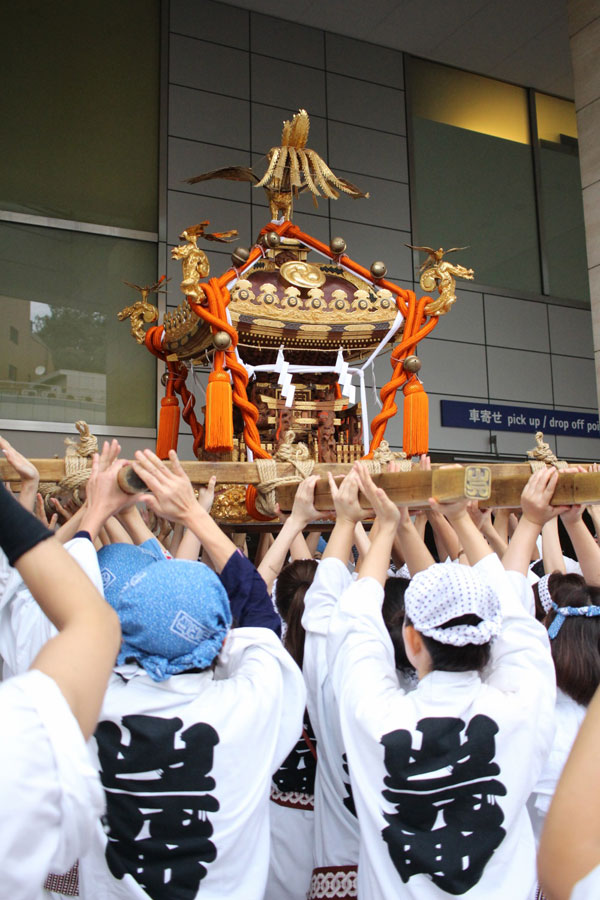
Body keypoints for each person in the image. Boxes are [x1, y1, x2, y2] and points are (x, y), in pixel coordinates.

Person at [76, 448, 305, 900]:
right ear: (223, 641)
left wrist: (93, 514)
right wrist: (192, 516)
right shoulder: (249, 705)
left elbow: (44, 611)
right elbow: (258, 611)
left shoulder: (81, 704)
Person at [325, 463, 558, 899]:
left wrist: (386, 527)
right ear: (489, 642)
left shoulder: (374, 716)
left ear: (410, 640)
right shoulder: (523, 706)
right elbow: (518, 624)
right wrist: (462, 518)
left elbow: (354, 625)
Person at [0, 465, 121, 900]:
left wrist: (91, 516)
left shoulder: (14, 607)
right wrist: (93, 513)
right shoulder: (13, 735)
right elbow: (94, 621)